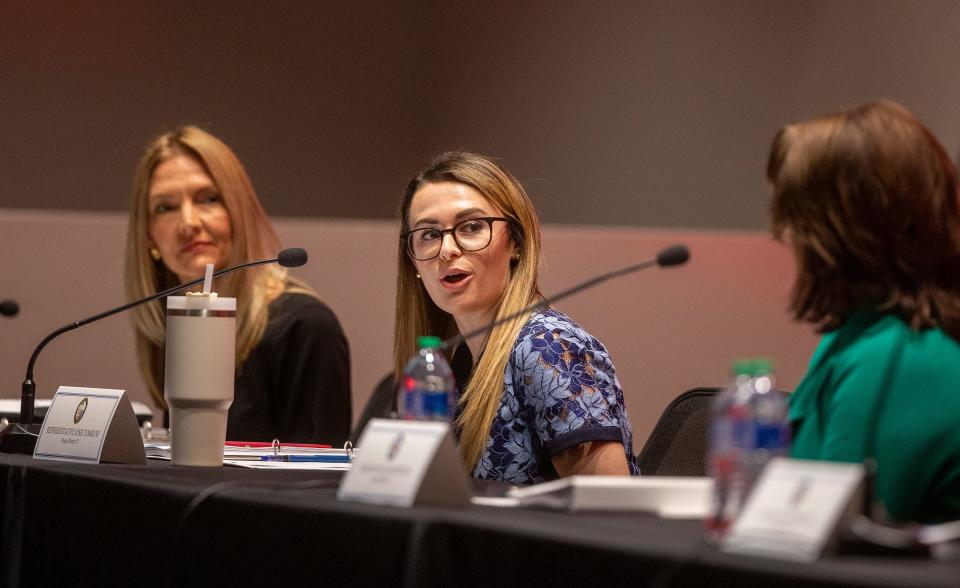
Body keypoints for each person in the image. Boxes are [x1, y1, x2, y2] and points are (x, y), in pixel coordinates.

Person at [393, 151, 638, 484]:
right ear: (413, 262)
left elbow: (608, 508)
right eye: (429, 234)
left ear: (517, 244)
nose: (448, 249)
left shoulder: (547, 347)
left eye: (471, 227)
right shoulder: (457, 359)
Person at [768, 100, 960, 523]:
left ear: (845, 231)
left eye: (798, 219)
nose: (783, 235)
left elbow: (820, 531)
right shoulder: (855, 334)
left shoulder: (904, 355)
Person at [124, 126, 352, 444]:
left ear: (238, 212)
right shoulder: (177, 319)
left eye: (208, 199)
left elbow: (316, 482)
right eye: (166, 207)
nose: (189, 223)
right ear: (148, 234)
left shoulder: (306, 326)